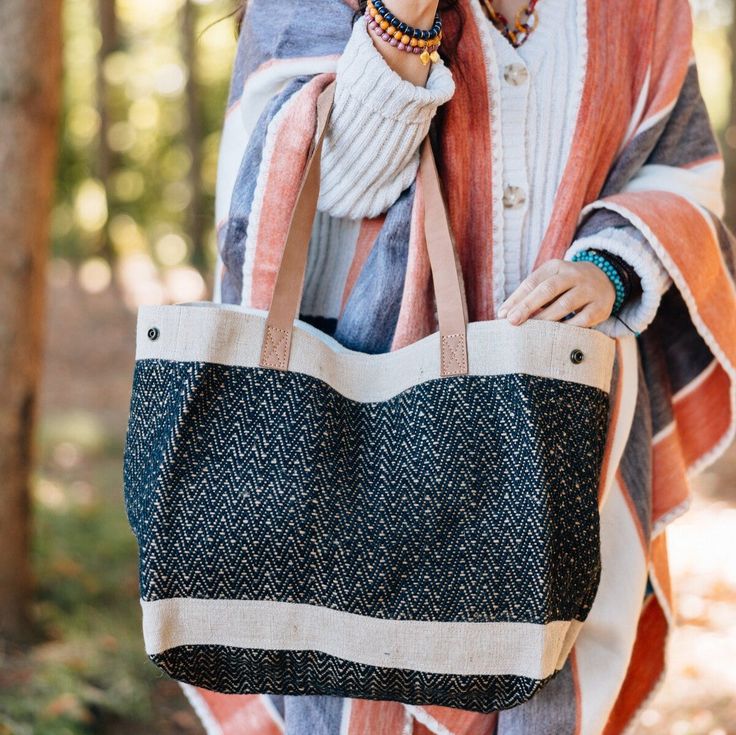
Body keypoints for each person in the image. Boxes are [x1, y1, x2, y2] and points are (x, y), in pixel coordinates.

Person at [178, 0, 736, 733]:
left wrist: (613, 265)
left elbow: (681, 166)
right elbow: (323, 187)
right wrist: (401, 20)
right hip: (360, 444)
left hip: (559, 437)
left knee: (542, 676)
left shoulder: (642, 9)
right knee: (361, 686)